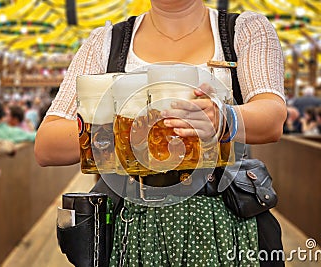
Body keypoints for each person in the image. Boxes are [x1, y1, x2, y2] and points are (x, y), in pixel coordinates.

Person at [35, 1, 287, 266]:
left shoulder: (244, 30)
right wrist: (122, 134)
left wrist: (224, 118)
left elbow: (272, 118)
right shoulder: (106, 41)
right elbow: (47, 145)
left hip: (222, 219)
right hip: (131, 223)